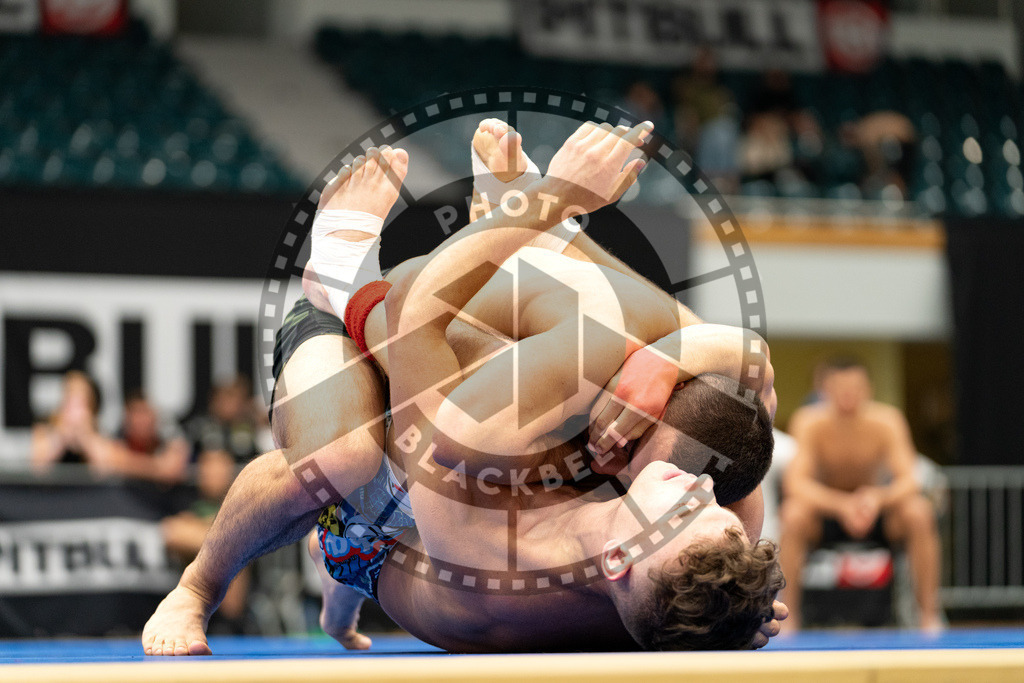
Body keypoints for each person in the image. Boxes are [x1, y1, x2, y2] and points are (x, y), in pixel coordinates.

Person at [143, 120, 783, 655]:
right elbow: (751, 370)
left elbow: (415, 313)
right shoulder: (691, 556)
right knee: (637, 366)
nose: (700, 491)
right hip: (454, 438)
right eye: (720, 516)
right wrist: (671, 359)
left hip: (381, 518)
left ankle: (195, 586)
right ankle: (551, 245)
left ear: (618, 561)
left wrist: (553, 198)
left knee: (341, 458)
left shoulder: (497, 552)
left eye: (685, 509)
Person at [779, 358, 942, 632]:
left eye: (855, 388)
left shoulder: (887, 421)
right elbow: (796, 483)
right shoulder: (809, 422)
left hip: (876, 511)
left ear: (868, 389)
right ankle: (788, 617)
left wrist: (877, 499)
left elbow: (910, 479)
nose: (848, 395)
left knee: (918, 512)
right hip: (828, 512)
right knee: (793, 514)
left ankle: (929, 615)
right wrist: (842, 505)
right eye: (840, 388)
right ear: (824, 389)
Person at [30, 370, 116, 472]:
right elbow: (35, 464)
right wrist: (61, 437)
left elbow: (109, 467)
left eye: (80, 401)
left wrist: (85, 438)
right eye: (69, 396)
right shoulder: (45, 428)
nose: (72, 407)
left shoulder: (101, 434)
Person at [108, 389, 191, 484]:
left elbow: (172, 470)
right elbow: (112, 459)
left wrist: (128, 463)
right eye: (136, 413)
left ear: (155, 415)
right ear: (127, 417)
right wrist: (158, 467)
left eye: (145, 412)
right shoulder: (117, 439)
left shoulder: (166, 438)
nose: (142, 420)